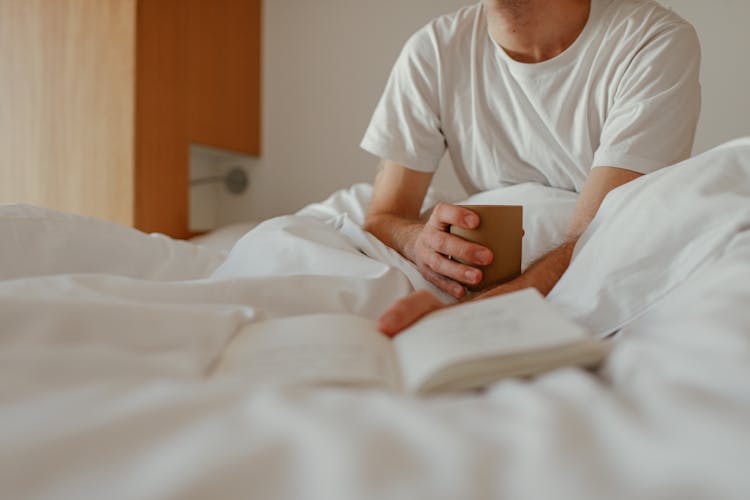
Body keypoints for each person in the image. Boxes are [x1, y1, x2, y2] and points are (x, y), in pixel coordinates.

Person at [360, 0, 701, 335]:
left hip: (591, 289)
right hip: (488, 274)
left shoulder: (651, 40)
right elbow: (382, 217)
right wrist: (417, 241)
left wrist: (465, 318)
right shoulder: (434, 50)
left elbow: (597, 241)